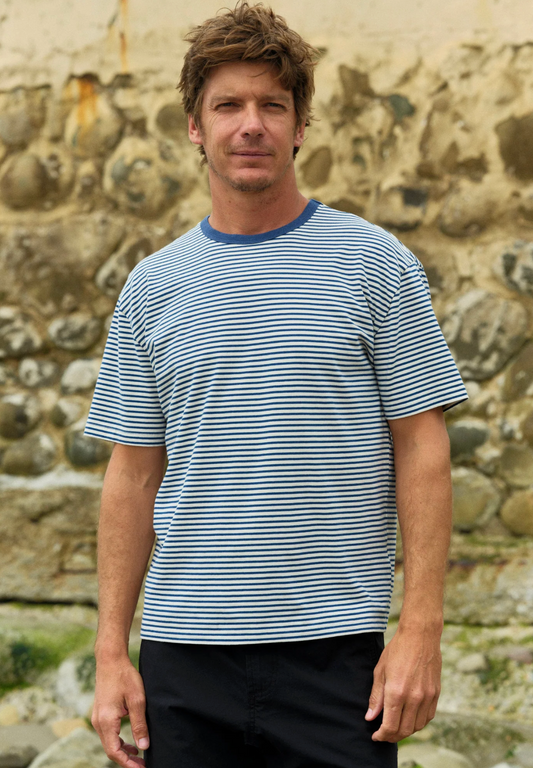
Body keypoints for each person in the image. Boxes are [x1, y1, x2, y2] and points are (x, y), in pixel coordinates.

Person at [85, 3, 468, 767]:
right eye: (227, 105)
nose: (249, 124)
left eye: (272, 105)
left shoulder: (374, 265)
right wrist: (109, 655)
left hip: (334, 660)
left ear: (300, 126)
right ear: (195, 127)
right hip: (182, 659)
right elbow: (131, 476)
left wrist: (419, 629)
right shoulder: (151, 287)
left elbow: (421, 447)